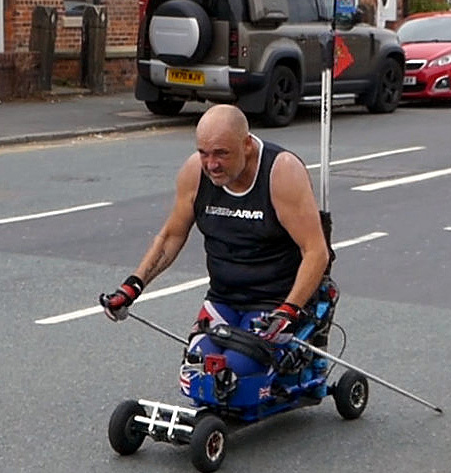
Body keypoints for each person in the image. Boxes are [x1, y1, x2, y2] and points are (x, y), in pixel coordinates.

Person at [100, 104, 331, 378]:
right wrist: (132, 286)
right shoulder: (195, 173)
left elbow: (316, 252)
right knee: (198, 369)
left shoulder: (282, 172)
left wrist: (288, 311)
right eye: (204, 153)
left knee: (235, 372)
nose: (211, 164)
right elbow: (172, 235)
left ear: (246, 145)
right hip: (223, 299)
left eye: (221, 153)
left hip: (275, 301)